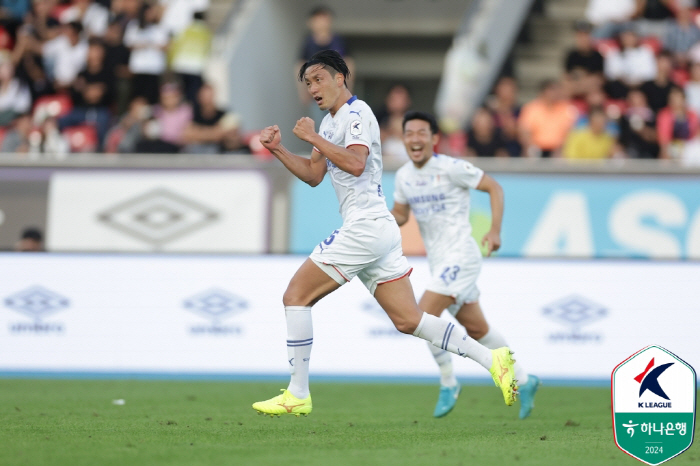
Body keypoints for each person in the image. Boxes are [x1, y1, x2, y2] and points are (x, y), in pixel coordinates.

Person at [252, 50, 518, 417]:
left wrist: (313, 138)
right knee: (409, 320)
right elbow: (315, 176)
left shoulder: (358, 113)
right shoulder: (328, 125)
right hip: (375, 229)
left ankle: (298, 393)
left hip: (365, 226)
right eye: (308, 83)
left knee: (296, 296)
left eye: (318, 79)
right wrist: (279, 148)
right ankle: (494, 361)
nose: (313, 88)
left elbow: (357, 164)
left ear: (340, 78)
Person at [390, 111, 539, 419]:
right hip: (440, 262)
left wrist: (494, 229)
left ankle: (448, 382)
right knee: (477, 328)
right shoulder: (404, 176)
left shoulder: (451, 167)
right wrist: (376, 221)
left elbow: (494, 188)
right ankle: (525, 380)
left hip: (462, 256)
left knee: (422, 316)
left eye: (421, 133)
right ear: (403, 139)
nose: (414, 139)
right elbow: (401, 215)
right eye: (409, 134)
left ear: (434, 139)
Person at [518, 79, 577, 157]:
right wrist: (531, 147)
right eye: (552, 89)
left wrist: (562, 147)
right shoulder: (531, 108)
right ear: (543, 91)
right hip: (536, 149)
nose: (556, 93)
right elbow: (524, 131)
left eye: (557, 89)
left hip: (559, 149)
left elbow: (571, 131)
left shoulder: (567, 108)